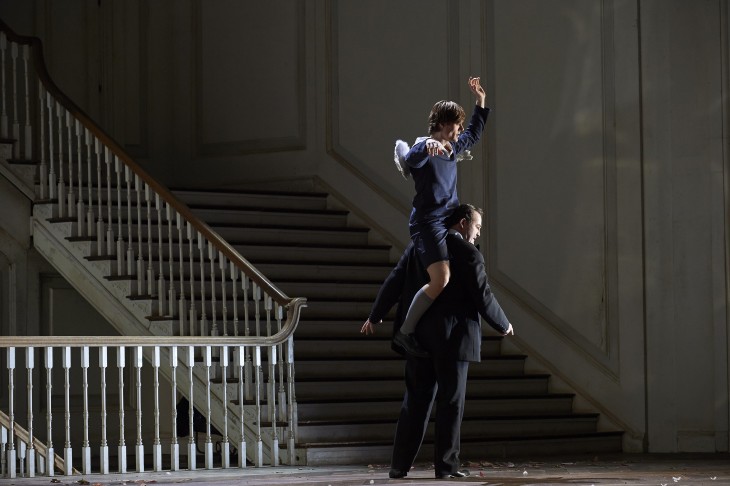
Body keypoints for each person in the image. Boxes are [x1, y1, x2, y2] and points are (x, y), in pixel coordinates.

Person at [361, 203, 514, 480]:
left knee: (415, 402)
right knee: (450, 404)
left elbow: (395, 280)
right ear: (464, 222)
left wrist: (376, 314)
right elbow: (483, 295)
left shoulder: (420, 246)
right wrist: (503, 323)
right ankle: (446, 468)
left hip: (418, 339)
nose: (478, 233)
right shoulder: (468, 253)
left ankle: (399, 466)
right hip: (453, 342)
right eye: (477, 226)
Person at [392, 77, 491, 357]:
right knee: (441, 279)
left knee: (467, 258)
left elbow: (473, 134)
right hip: (429, 224)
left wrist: (480, 102)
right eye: (456, 126)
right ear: (444, 125)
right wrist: (427, 147)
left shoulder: (452, 147)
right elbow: (412, 160)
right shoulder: (424, 146)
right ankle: (405, 332)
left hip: (448, 220)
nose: (459, 131)